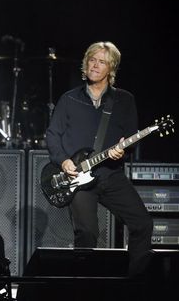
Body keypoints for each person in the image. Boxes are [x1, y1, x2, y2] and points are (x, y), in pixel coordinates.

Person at [45, 41, 153, 277]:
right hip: (78, 179)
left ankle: (134, 284)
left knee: (143, 224)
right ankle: (84, 288)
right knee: (87, 234)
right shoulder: (69, 99)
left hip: (111, 176)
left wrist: (122, 152)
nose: (95, 65)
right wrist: (63, 161)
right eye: (92, 60)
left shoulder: (125, 100)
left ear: (111, 68)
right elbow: (52, 135)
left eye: (102, 61)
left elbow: (132, 141)